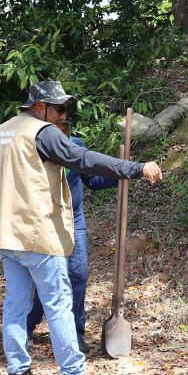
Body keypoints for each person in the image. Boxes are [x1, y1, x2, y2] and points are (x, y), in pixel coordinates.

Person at [0, 81, 163, 375]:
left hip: (6, 235)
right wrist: (136, 168)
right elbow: (84, 160)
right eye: (58, 108)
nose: (62, 115)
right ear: (40, 107)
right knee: (59, 303)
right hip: (36, 233)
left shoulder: (1, 132)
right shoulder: (42, 131)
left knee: (16, 305)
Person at [25, 119, 117, 352]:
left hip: (74, 221)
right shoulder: (34, 151)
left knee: (78, 275)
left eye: (64, 129)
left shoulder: (76, 146)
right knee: (47, 278)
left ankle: (76, 334)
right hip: (46, 221)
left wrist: (120, 173)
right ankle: (27, 325)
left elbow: (93, 180)